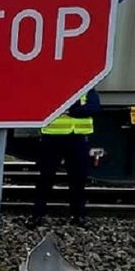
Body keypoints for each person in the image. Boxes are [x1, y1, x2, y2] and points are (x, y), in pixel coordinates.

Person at [31, 87, 100, 227]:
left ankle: (78, 216)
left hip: (78, 138)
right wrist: (78, 110)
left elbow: (93, 108)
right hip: (52, 137)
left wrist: (71, 111)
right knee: (45, 178)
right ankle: (36, 216)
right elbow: (45, 107)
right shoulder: (53, 88)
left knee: (78, 179)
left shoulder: (88, 88)